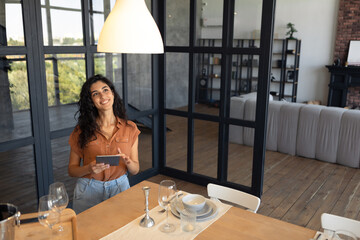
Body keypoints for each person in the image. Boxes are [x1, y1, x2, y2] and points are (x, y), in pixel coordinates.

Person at [68, 74, 140, 214]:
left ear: (112, 93)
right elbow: (72, 170)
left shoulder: (130, 128)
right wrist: (89, 168)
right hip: (89, 189)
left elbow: (135, 169)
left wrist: (128, 161)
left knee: (120, 232)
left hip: (120, 187)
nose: (102, 96)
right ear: (91, 101)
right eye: (96, 93)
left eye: (105, 90)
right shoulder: (81, 131)